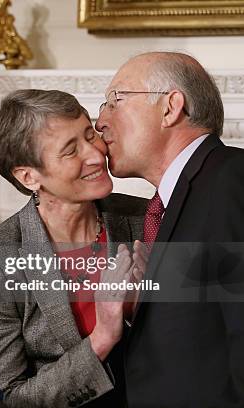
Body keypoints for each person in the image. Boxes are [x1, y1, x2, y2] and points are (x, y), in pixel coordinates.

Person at [0, 89, 147, 407]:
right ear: (29, 176)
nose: (94, 154)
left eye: (90, 134)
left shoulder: (147, 218)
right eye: (70, 150)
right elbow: (9, 397)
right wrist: (101, 337)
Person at [95, 51, 244, 407]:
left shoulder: (232, 179)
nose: (100, 121)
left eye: (116, 100)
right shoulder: (163, 207)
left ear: (170, 107)